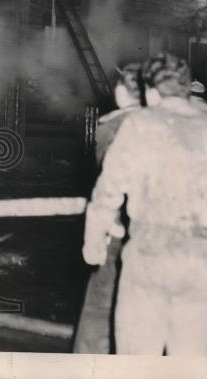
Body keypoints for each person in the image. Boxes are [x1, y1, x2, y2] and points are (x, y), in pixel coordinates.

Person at [82, 53, 207, 356]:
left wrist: (93, 246)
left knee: (137, 362)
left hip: (149, 258)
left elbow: (107, 193)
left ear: (151, 91)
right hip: (201, 264)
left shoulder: (140, 125)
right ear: (186, 88)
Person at [73, 63, 142, 354]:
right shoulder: (162, 125)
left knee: (99, 306)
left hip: (119, 231)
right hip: (158, 233)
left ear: (124, 92)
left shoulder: (113, 127)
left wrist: (100, 234)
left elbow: (107, 183)